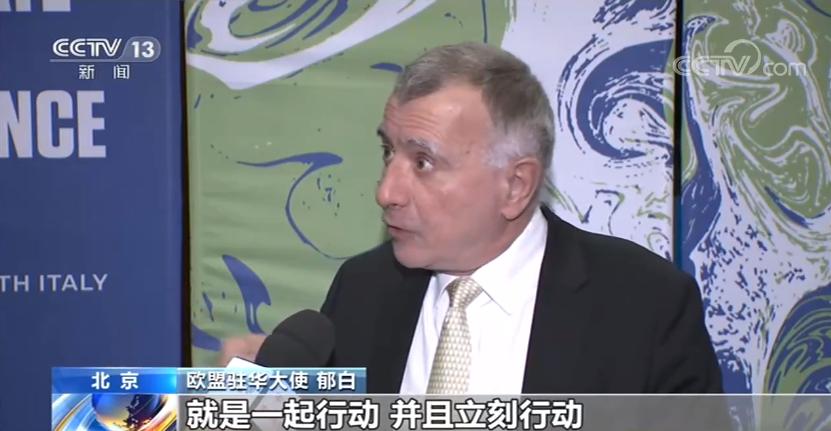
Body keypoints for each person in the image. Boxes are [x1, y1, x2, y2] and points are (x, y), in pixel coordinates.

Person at [318, 42, 723, 394]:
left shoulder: (646, 307)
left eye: (423, 161)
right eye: (389, 152)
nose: (386, 192)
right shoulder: (361, 290)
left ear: (516, 185)